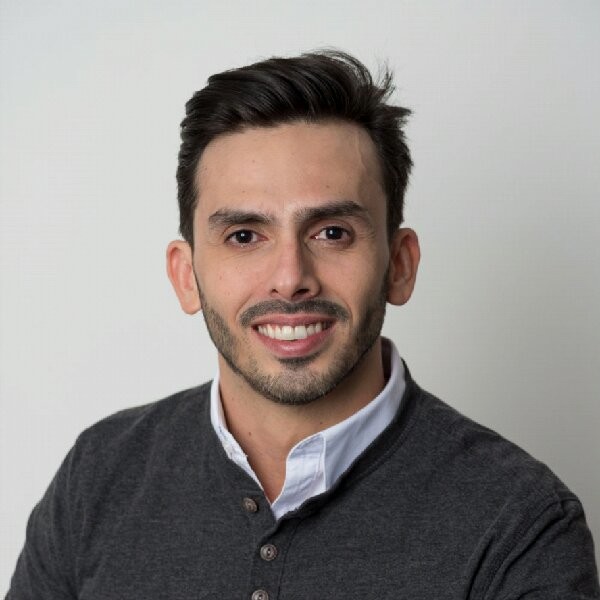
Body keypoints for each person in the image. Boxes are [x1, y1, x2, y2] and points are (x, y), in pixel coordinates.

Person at [7, 50, 599, 600]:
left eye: (332, 233)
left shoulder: (522, 525)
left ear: (399, 265)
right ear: (186, 277)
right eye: (244, 235)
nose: (290, 278)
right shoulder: (99, 476)